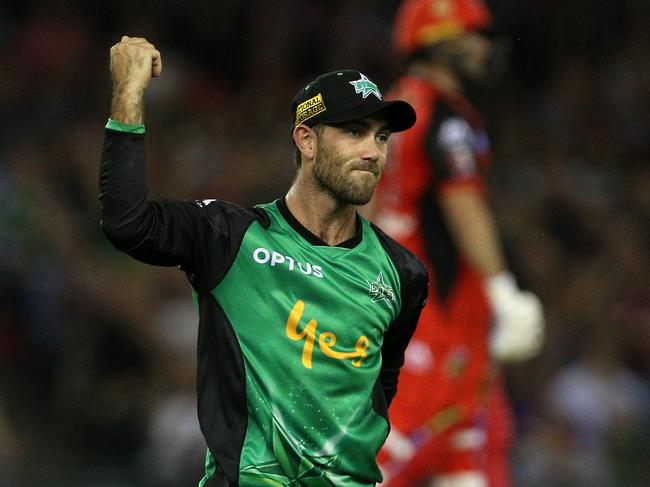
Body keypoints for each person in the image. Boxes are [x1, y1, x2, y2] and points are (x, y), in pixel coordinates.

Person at [100, 36, 429, 487]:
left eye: (382, 137)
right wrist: (128, 95)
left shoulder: (403, 274)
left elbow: (379, 393)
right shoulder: (230, 237)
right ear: (307, 140)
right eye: (354, 132)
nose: (374, 151)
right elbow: (127, 223)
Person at [369, 1, 545, 486]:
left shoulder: (393, 109)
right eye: (473, 35)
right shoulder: (445, 117)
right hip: (441, 326)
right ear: (438, 41)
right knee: (383, 461)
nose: (485, 48)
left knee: (475, 457)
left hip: (399, 308)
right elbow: (462, 202)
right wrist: (503, 292)